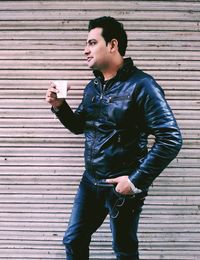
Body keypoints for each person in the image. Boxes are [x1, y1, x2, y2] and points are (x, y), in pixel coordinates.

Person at [46, 16, 182, 260]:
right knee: (73, 240)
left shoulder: (143, 85)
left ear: (112, 45)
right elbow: (80, 127)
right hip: (90, 181)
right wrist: (60, 106)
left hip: (122, 187)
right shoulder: (93, 87)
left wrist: (135, 181)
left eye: (91, 42)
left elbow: (171, 138)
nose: (85, 50)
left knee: (124, 250)